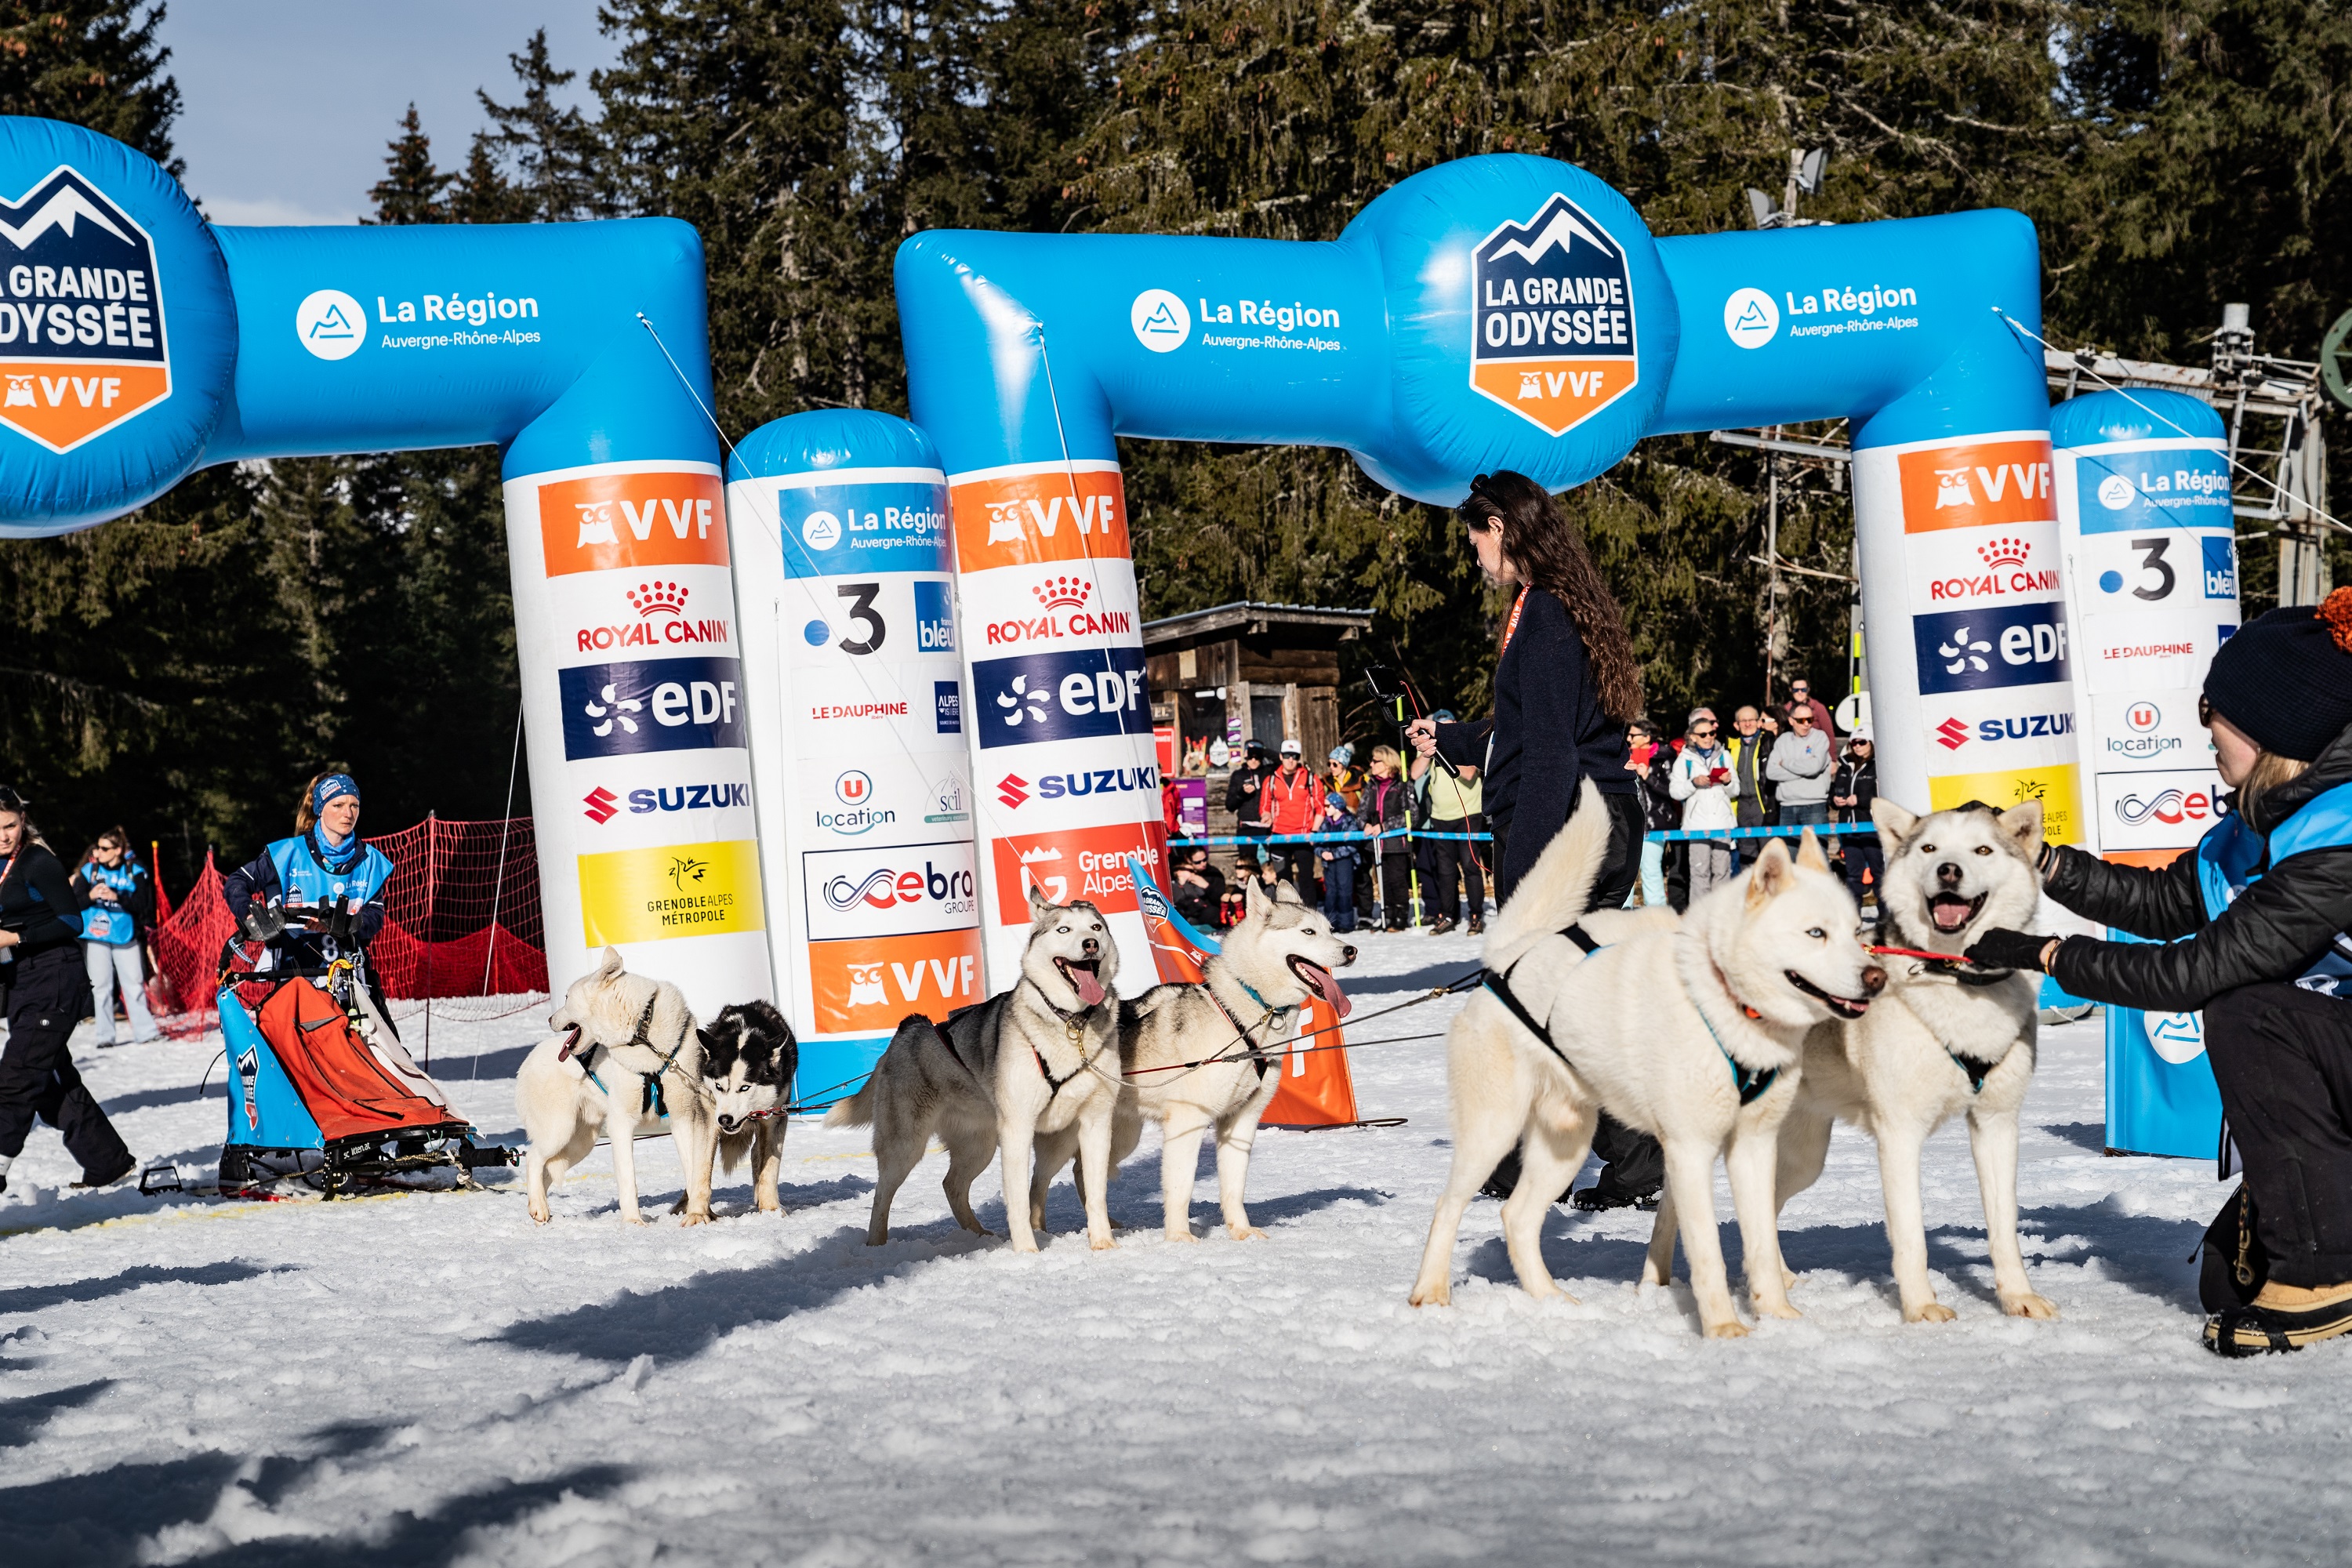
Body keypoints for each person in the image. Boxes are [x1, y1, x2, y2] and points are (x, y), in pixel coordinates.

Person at [1963, 590, 2352, 1357]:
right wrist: (2033, 857)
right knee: (2226, 1281)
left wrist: (2044, 954)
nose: (2205, 730)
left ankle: (2324, 1277)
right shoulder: (2269, 820)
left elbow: (2193, 972)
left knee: (2249, 1007)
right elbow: (2167, 901)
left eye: (2216, 715)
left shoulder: (2338, 835)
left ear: (2272, 730)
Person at [1407, 470, 1653, 1209]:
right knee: (1565, 998)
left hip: (1568, 824)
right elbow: (1536, 727)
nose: (1476, 557)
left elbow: (1550, 752)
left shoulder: (1543, 614)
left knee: (1547, 994)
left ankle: (1611, 1157)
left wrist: (1525, 878)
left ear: (1500, 529)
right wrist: (1455, 737)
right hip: (1597, 814)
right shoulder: (1555, 605)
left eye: (1476, 540)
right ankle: (1599, 1159)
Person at [0, 787, 135, 1195]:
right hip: (21, 982)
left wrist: (15, 937)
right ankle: (107, 1161)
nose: (4, 836)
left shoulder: (37, 861)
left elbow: (71, 920)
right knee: (51, 1081)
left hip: (56, 978)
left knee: (18, 1076)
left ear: (22, 821)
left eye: (10, 826)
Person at [222, 771, 397, 1025]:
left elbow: (375, 917)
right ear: (320, 809)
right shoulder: (287, 853)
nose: (348, 813)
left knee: (389, 1048)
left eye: (354, 805)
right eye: (338, 805)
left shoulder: (371, 862)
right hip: (292, 980)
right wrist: (251, 916)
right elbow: (237, 883)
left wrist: (347, 924)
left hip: (351, 983)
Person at [71, 828, 159, 1047]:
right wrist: (91, 896)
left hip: (125, 935)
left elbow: (144, 905)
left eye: (104, 848)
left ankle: (146, 1032)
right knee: (101, 986)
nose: (98, 852)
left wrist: (117, 896)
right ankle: (105, 1036)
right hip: (96, 936)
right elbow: (74, 903)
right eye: (98, 847)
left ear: (118, 850)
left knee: (133, 984)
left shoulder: (135, 871)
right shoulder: (89, 871)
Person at [1412, 713, 1488, 935]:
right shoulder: (1432, 746)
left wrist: (1447, 748)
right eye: (1440, 727)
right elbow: (1415, 773)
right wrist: (1430, 748)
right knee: (1445, 871)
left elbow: (1469, 774)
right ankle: (1447, 916)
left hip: (1468, 815)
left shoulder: (1465, 742)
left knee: (1471, 867)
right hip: (1440, 817)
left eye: (1448, 727)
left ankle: (1475, 916)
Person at [1671, 708, 1737, 901]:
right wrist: (1693, 783)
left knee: (1722, 872)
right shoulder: (1684, 759)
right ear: (1692, 737)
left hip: (1722, 823)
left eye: (1712, 733)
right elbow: (1675, 791)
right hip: (1696, 825)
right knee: (1700, 873)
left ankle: (1721, 912)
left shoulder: (1725, 756)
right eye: (1703, 734)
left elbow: (1736, 791)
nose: (1708, 738)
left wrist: (1728, 782)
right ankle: (1700, 914)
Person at [1261, 738, 1327, 901]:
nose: (1291, 760)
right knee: (1283, 881)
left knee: (1306, 879)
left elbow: (1320, 808)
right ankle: (1286, 914)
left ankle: (1310, 913)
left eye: (1295, 756)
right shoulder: (1271, 780)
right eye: (1287, 755)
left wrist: (1314, 832)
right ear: (1281, 756)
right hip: (1279, 837)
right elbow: (1264, 807)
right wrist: (1266, 816)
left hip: (1303, 836)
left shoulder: (1311, 779)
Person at [1359, 744, 1415, 930]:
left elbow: (1412, 814)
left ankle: (1401, 916)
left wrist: (1385, 826)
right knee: (1383, 880)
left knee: (1397, 880)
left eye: (1375, 761)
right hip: (1376, 843)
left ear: (1387, 763)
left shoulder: (1402, 784)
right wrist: (1365, 824)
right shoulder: (1371, 784)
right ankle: (1388, 914)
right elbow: (1361, 812)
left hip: (1396, 842)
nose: (1371, 764)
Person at [1626, 717, 1679, 909]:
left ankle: (1657, 913)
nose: (1629, 738)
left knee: (1650, 869)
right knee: (1625, 871)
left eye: (1633, 735)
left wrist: (1648, 776)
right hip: (1629, 823)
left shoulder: (1665, 757)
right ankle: (1623, 912)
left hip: (1656, 823)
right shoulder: (1624, 756)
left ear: (1647, 737)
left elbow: (1673, 791)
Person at [1829, 727, 1879, 919]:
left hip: (1870, 826)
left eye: (1862, 742)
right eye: (1854, 743)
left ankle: (1885, 916)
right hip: (1847, 826)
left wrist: (1860, 800)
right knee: (1853, 874)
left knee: (1878, 872)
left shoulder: (1877, 765)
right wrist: (1835, 800)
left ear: (1871, 743)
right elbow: (1835, 791)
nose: (1857, 746)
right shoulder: (1845, 765)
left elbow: (1882, 795)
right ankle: (1854, 916)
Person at [1767, 701, 1833, 827]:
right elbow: (1771, 772)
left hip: (1814, 806)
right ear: (1791, 721)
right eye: (1801, 720)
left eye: (1810, 719)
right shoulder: (1782, 740)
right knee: (1788, 842)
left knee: (1815, 841)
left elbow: (1814, 767)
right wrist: (1806, 772)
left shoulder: (1820, 737)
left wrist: (1785, 763)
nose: (1807, 724)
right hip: (1786, 807)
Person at [1316, 793, 1361, 933]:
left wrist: (1335, 854)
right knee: (1330, 892)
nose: (1325, 809)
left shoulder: (1349, 821)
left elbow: (1353, 843)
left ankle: (1346, 924)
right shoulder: (1325, 822)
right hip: (1328, 863)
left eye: (1327, 805)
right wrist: (1322, 852)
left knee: (1344, 891)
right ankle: (1330, 923)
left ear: (1337, 806)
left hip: (1344, 861)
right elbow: (1318, 842)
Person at [1726, 705, 1774, 833]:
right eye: (1743, 721)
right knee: (1745, 844)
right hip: (1741, 805)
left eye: (1751, 720)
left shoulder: (1768, 743)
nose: (1748, 724)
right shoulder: (1730, 747)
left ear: (1759, 723)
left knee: (1766, 843)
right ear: (1736, 725)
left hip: (1762, 803)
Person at [1224, 738, 1272, 856]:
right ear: (1245, 755)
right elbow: (1230, 805)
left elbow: (1281, 761)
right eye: (1250, 756)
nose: (1254, 760)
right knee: (1249, 864)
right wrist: (1242, 793)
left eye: (1257, 757)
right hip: (1246, 828)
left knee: (1271, 865)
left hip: (1267, 827)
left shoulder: (1269, 771)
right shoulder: (1238, 775)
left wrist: (1263, 751)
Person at [1170, 842, 1226, 931]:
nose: (1203, 864)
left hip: (1207, 912)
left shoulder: (1214, 874)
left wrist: (1206, 886)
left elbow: (1221, 899)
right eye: (1198, 862)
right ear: (1188, 860)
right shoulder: (1183, 870)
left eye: (1205, 860)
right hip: (1186, 910)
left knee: (1212, 912)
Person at [1786, 675, 1837, 742]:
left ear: (1808, 690)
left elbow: (1829, 735)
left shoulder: (1818, 708)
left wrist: (1831, 750)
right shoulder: (1786, 709)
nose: (1800, 693)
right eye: (1796, 690)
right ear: (1790, 690)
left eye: (1803, 690)